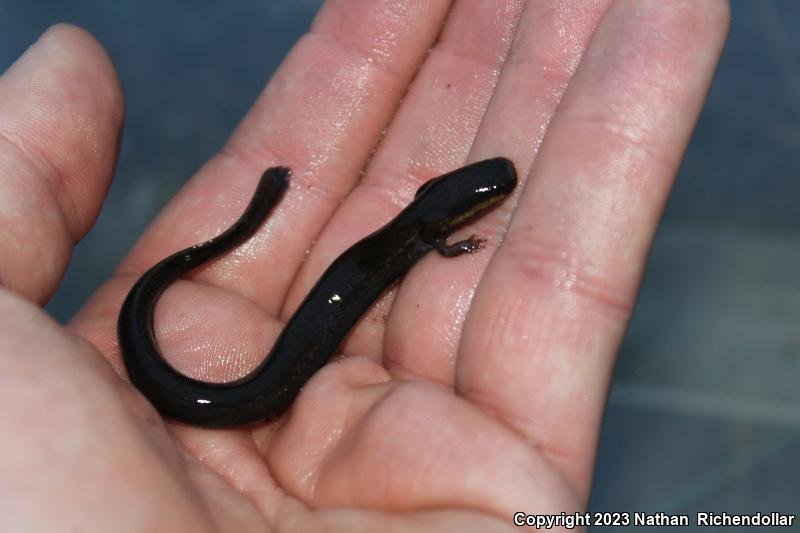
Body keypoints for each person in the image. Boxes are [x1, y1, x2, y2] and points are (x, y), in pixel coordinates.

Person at [0, 1, 729, 531]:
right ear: (450, 210)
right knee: (278, 359)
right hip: (260, 393)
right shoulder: (426, 230)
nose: (492, 194)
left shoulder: (423, 224)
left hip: (266, 384)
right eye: (486, 194)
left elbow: (428, 218)